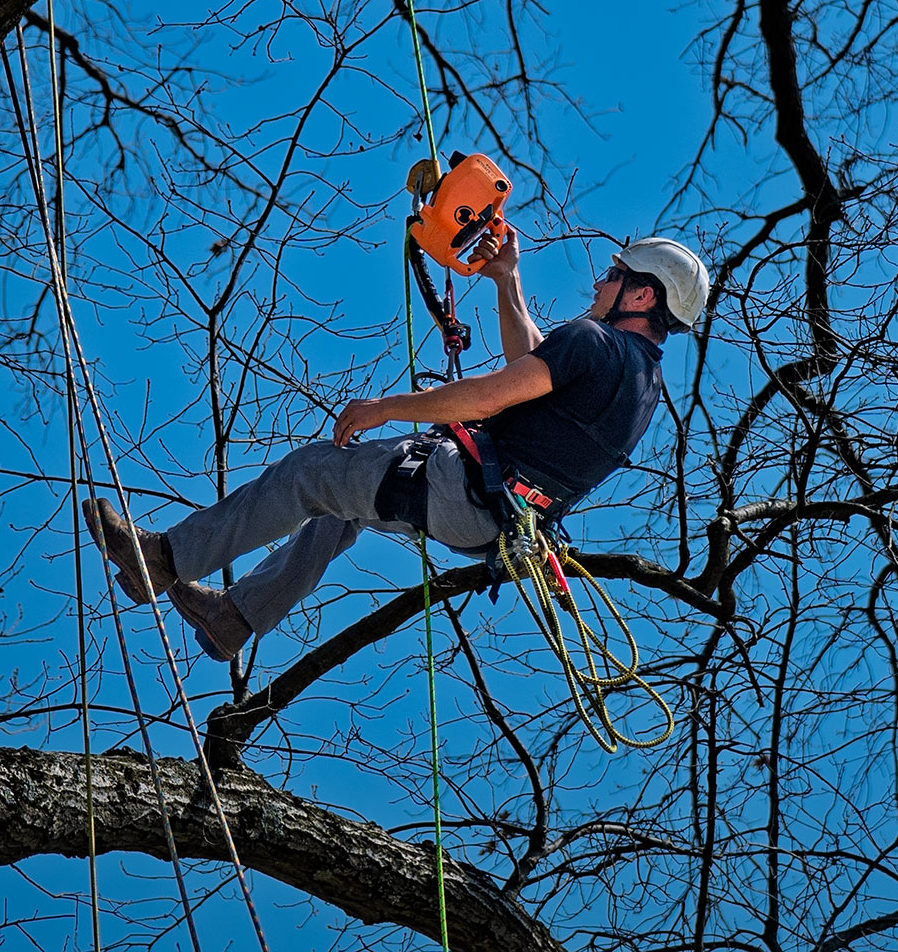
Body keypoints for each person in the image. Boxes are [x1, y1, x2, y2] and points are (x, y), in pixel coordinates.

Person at [86, 229, 710, 661]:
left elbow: (495, 395)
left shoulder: (592, 341)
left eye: (614, 275)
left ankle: (163, 560)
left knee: (314, 473)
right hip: (490, 522)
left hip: (459, 487)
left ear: (642, 293)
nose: (600, 283)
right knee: (343, 505)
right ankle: (235, 618)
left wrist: (385, 408)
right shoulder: (640, 383)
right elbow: (534, 370)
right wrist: (506, 280)